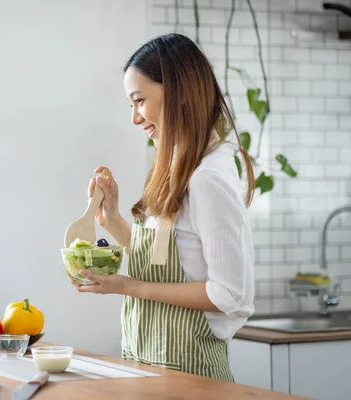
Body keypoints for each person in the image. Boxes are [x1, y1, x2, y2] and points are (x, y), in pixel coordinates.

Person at [73, 33, 255, 382]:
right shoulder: (178, 166)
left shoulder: (207, 179)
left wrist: (128, 286)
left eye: (139, 100)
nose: (134, 117)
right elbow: (167, 261)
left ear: (178, 92)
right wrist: (111, 220)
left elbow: (228, 294)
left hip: (191, 378)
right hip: (148, 367)